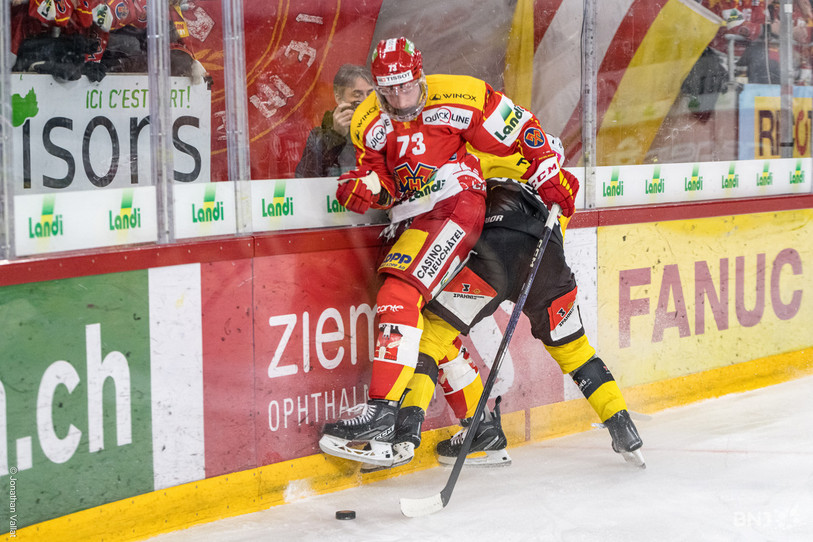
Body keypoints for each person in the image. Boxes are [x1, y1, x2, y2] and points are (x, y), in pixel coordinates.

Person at [318, 37, 576, 467]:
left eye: (407, 87)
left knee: (398, 295)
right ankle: (481, 428)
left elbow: (522, 128)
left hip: (455, 208)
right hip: (413, 219)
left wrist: (549, 170)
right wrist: (365, 189)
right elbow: (383, 181)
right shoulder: (368, 119)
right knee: (425, 324)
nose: (399, 99)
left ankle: (381, 414)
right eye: (389, 91)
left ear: (420, 76)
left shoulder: (458, 94)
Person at [357, 144, 644, 473]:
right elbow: (559, 225)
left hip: (494, 254)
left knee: (432, 337)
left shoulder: (487, 153)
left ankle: (404, 434)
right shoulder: (561, 180)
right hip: (546, 265)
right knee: (577, 352)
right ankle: (623, 427)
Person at [294, 64, 374, 178]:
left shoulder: (386, 128)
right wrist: (335, 136)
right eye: (357, 95)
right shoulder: (319, 137)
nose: (365, 101)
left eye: (370, 94)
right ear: (339, 98)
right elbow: (304, 180)